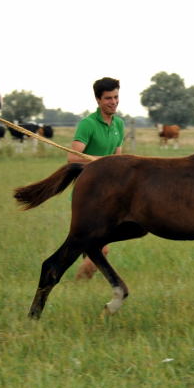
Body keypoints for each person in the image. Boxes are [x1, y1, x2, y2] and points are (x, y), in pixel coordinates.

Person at [68, 77, 125, 280]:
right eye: (108, 98)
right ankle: (77, 283)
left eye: (116, 97)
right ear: (98, 100)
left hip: (109, 194)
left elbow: (118, 159)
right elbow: (73, 158)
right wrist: (105, 162)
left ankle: (80, 285)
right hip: (88, 193)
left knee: (92, 246)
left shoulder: (119, 123)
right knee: (101, 248)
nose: (114, 102)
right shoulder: (88, 124)